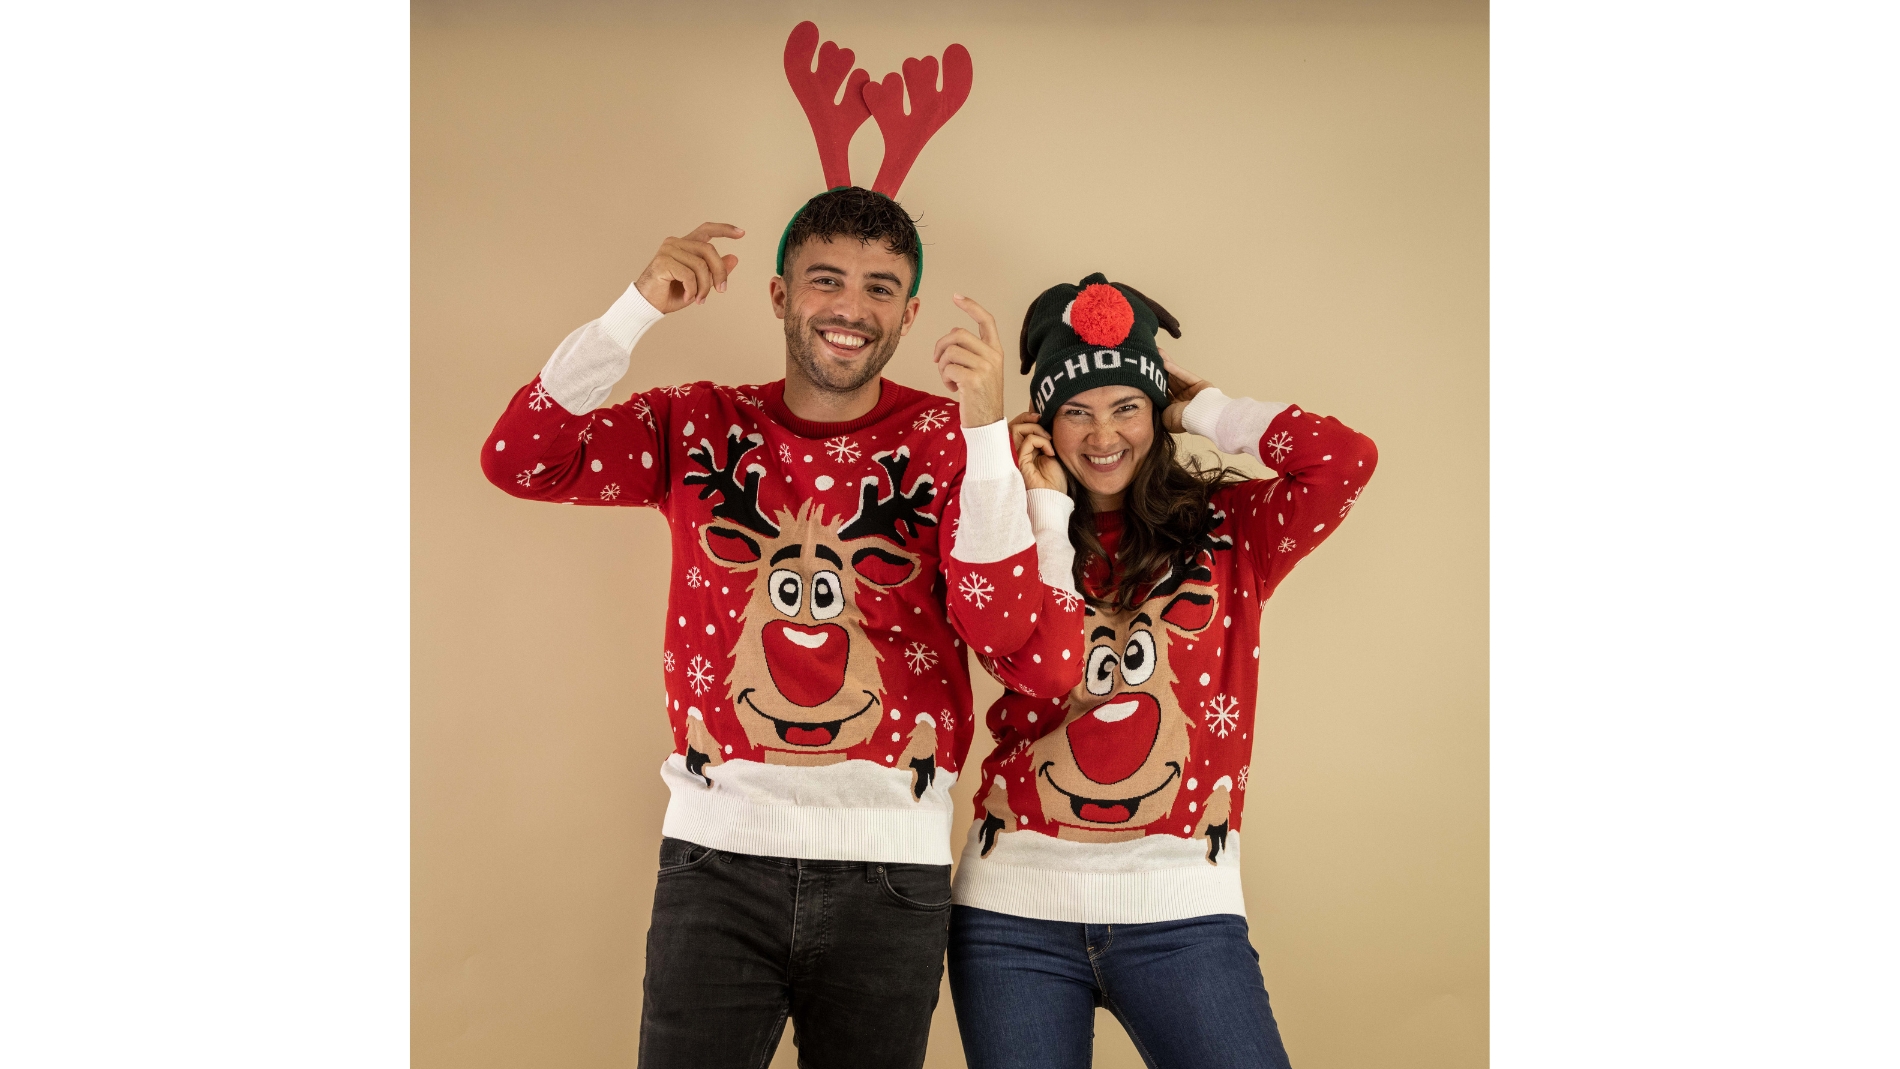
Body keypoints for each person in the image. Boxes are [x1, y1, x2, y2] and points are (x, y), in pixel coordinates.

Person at [478, 188, 1082, 1069]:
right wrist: (636, 308)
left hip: (891, 877)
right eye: (825, 279)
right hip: (716, 864)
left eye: (880, 288)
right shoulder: (696, 424)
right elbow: (521, 457)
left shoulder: (949, 442)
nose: (850, 308)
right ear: (778, 294)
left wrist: (986, 434)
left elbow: (1004, 635)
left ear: (910, 315)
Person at [945, 273, 1379, 1068]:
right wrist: (1043, 508)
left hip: (1185, 912)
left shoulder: (1231, 532)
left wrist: (1206, 407)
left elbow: (1344, 461)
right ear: (1045, 421)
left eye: (1127, 406)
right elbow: (1044, 669)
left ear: (1156, 411)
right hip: (1013, 914)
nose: (1102, 434)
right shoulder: (999, 522)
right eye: (1077, 411)